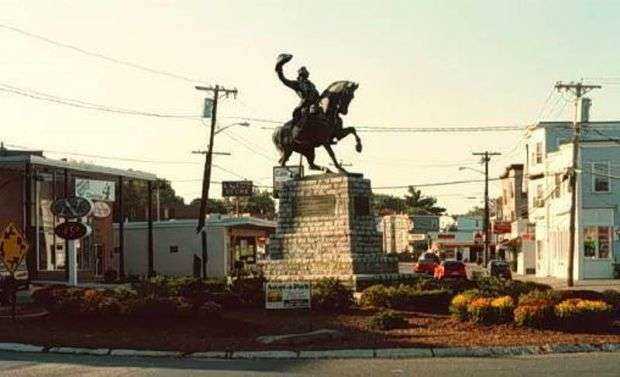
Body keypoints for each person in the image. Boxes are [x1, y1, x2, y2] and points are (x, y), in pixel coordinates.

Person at [275, 54, 320, 125]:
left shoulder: (312, 85)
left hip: (315, 107)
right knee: (304, 121)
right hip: (304, 107)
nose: (306, 73)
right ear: (300, 75)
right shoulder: (297, 84)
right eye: (303, 72)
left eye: (306, 72)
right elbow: (284, 79)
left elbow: (318, 96)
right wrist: (279, 67)